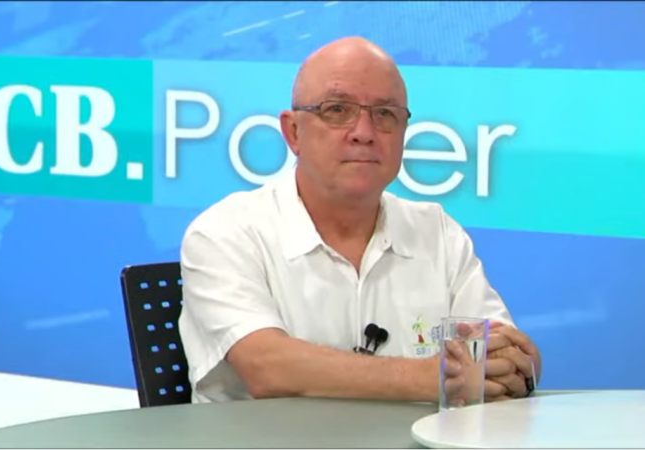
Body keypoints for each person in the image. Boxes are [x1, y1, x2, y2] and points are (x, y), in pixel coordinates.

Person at [178, 36, 542, 404]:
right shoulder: (224, 233)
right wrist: (437, 377)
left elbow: (506, 352)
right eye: (337, 110)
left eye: (385, 114)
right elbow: (266, 367)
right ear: (293, 132)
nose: (364, 133)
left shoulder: (436, 231)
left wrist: (514, 368)